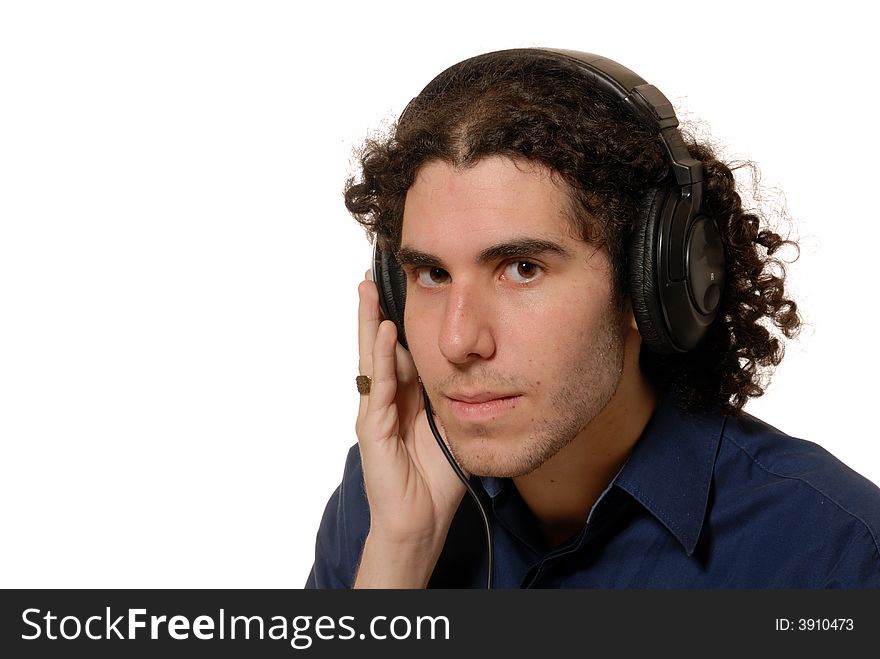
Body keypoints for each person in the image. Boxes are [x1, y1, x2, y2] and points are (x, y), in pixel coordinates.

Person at [305, 48, 880, 588]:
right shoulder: (380, 501)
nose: (458, 340)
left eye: (522, 268)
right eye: (432, 275)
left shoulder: (837, 555)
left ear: (648, 283)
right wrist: (400, 553)